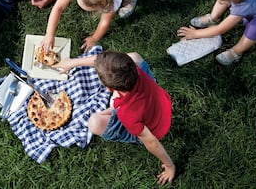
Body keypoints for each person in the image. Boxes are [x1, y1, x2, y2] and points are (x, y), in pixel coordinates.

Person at [54, 50, 175, 185]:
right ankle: (115, 105)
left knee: (94, 122)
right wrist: (72, 63)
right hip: (161, 101)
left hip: (156, 127)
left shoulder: (128, 115)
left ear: (109, 89)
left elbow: (151, 142)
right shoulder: (133, 67)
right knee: (135, 55)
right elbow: (103, 61)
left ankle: (114, 107)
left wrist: (169, 166)